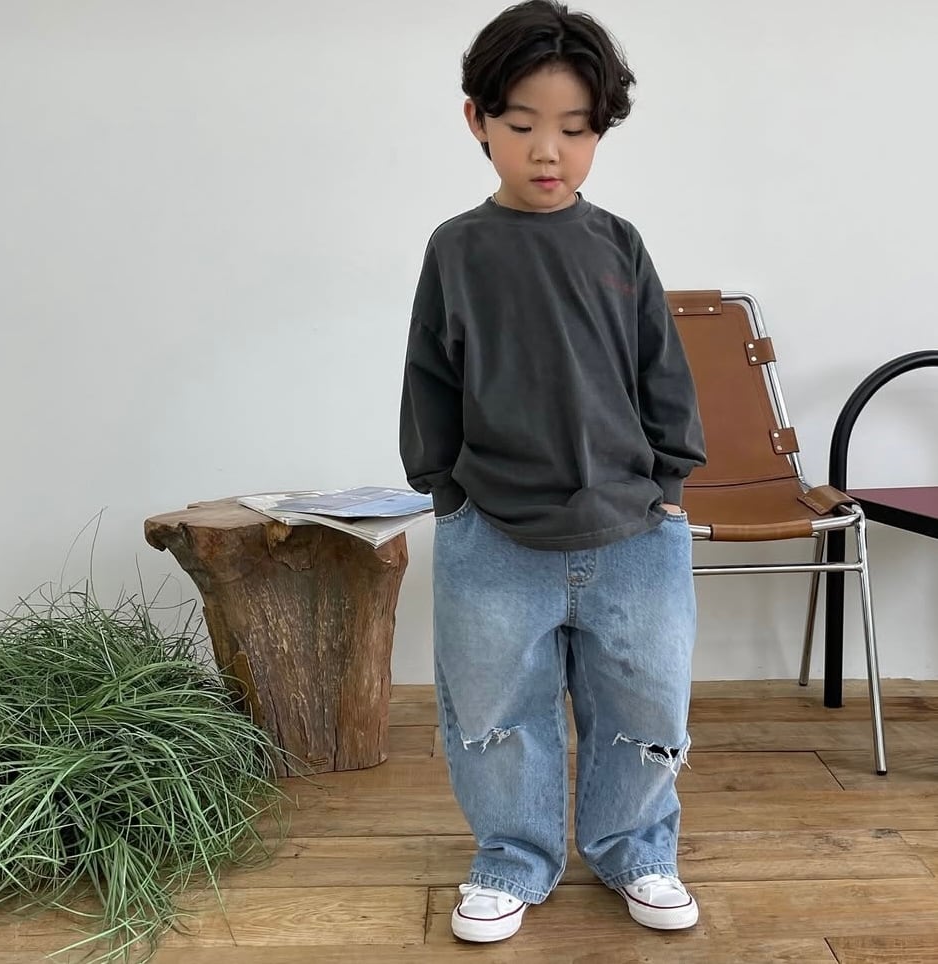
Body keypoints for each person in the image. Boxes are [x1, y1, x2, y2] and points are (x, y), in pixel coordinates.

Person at [399, 0, 706, 944]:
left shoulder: (619, 243)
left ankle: (637, 850)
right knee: (496, 711)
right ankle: (510, 858)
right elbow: (430, 375)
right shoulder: (457, 248)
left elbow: (662, 370)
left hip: (634, 529)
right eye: (523, 124)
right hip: (492, 531)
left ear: (599, 131)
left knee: (645, 704)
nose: (548, 151)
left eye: (575, 129)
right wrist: (445, 493)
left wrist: (670, 486)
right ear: (477, 119)